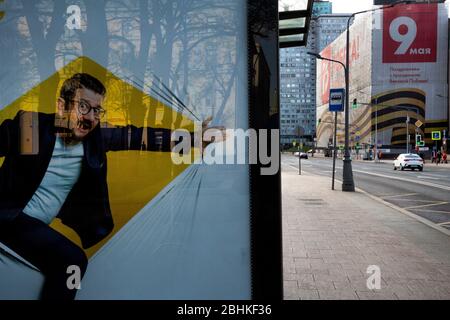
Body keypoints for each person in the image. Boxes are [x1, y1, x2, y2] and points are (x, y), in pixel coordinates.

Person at [0, 73, 216, 300]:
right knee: (73, 261)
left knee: (68, 265)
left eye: (96, 110)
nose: (90, 117)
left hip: (32, 228)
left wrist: (194, 139)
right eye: (83, 107)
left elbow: (141, 137)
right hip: (7, 216)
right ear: (61, 106)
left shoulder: (96, 139)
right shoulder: (32, 128)